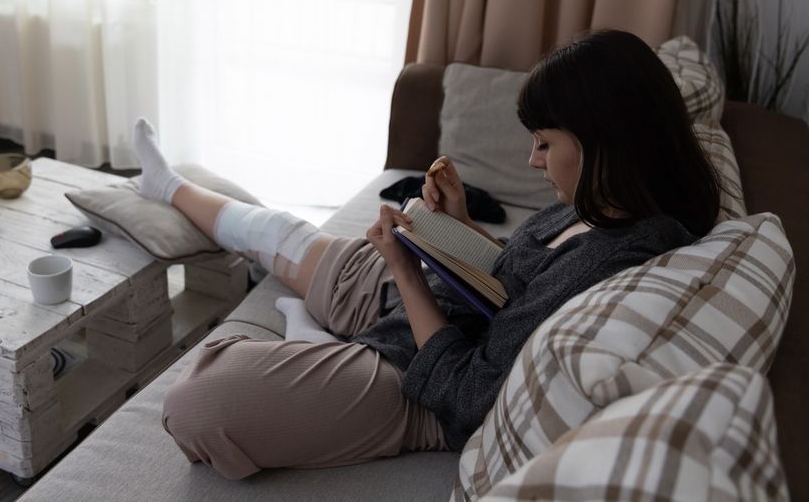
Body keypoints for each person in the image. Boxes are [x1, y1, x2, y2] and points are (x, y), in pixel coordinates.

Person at [134, 29, 721, 480]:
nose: (533, 161)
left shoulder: (621, 258)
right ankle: (163, 186)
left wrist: (405, 272)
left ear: (604, 143)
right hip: (443, 305)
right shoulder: (603, 204)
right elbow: (516, 283)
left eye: (545, 143)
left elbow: (470, 396)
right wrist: (456, 228)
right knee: (287, 234)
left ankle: (315, 341)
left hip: (426, 378)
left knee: (195, 403)